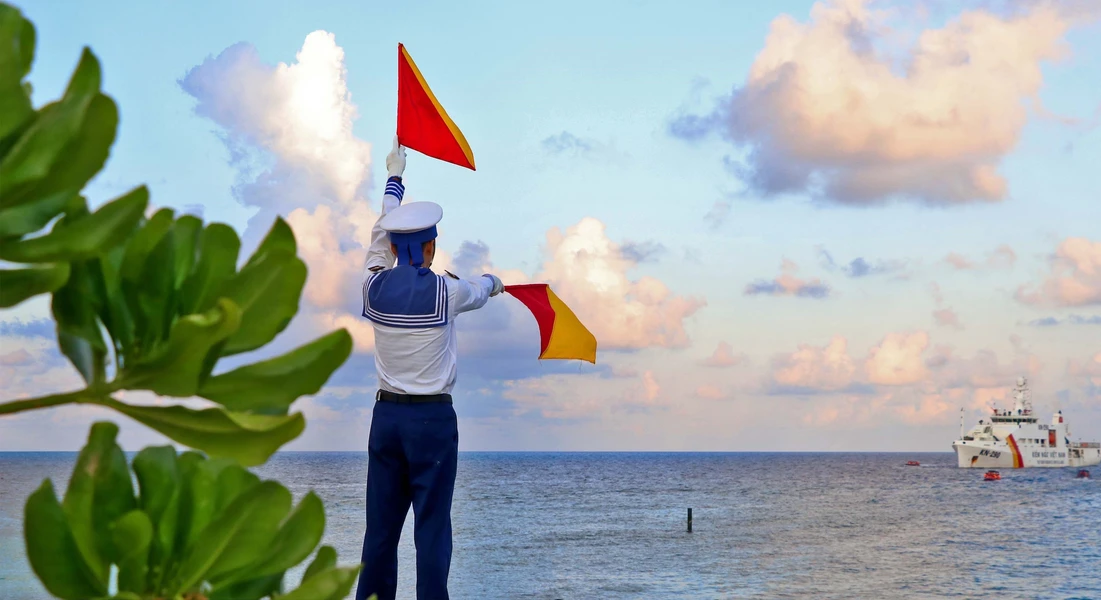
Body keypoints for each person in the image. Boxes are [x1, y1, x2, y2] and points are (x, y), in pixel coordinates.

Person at [355, 139, 504, 600]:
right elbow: (479, 289)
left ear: (398, 249)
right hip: (433, 423)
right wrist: (496, 282)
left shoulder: (372, 289)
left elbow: (381, 233)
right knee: (432, 532)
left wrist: (394, 179)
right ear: (431, 247)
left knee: (380, 532)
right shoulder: (446, 293)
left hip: (386, 420)